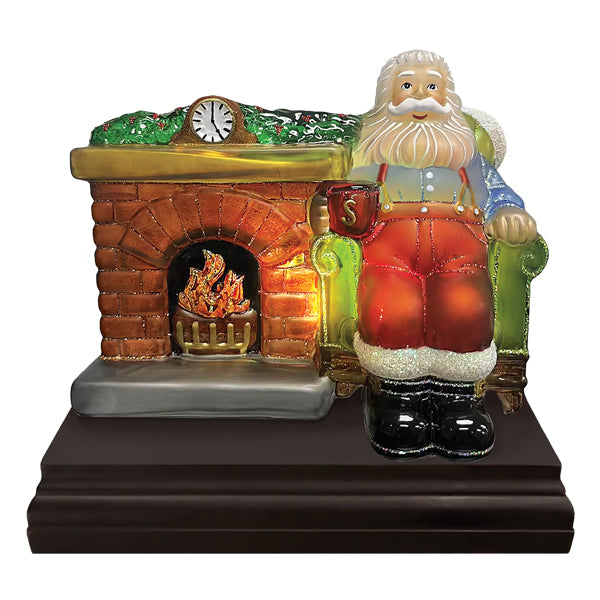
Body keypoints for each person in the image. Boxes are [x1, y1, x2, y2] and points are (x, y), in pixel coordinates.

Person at [312, 50, 537, 458]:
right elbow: (340, 197)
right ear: (387, 100)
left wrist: (507, 212)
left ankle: (459, 400)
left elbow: (499, 193)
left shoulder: (470, 164)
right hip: (390, 257)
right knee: (390, 311)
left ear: (449, 98)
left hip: (460, 257)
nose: (421, 96)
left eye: (432, 86)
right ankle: (396, 396)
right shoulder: (372, 161)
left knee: (465, 309)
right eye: (407, 86)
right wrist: (325, 212)